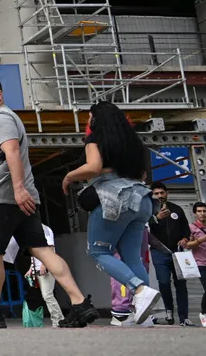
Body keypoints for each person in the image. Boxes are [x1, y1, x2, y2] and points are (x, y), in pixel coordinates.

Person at [0, 76, 97, 329]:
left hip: (1, 199)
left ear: (0, 95)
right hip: (22, 198)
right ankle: (80, 303)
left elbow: (12, 151)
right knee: (42, 249)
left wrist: (17, 189)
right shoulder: (7, 118)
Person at [61, 100, 161, 326]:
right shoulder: (134, 142)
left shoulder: (95, 139)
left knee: (98, 252)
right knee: (132, 257)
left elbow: (93, 167)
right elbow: (143, 174)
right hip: (141, 198)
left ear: (95, 119)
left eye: (89, 117)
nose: (88, 121)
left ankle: (140, 290)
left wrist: (69, 176)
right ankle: (144, 314)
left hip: (115, 200)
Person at [148, 181, 194, 325]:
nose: (160, 196)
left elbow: (186, 229)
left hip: (177, 252)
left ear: (167, 193)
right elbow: (144, 228)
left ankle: (184, 317)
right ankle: (168, 310)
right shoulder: (149, 211)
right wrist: (157, 218)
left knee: (181, 284)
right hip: (159, 252)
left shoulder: (177, 209)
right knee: (163, 282)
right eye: (156, 193)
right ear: (152, 195)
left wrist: (185, 239)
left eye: (162, 193)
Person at [185, 202, 206, 327]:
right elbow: (187, 245)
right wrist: (200, 240)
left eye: (204, 211)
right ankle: (204, 313)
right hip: (202, 264)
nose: (202, 213)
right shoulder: (191, 228)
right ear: (195, 213)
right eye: (199, 211)